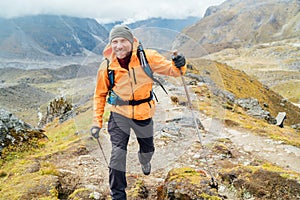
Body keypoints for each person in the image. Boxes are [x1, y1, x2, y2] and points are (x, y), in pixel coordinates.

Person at [91, 24, 186, 200]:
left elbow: (174, 71)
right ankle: (118, 195)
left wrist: (179, 64)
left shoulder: (147, 57)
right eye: (115, 42)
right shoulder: (106, 66)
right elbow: (99, 95)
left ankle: (145, 160)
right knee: (117, 154)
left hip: (144, 112)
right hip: (119, 114)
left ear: (131, 41)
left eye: (122, 41)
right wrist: (97, 122)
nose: (118, 46)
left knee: (147, 148)